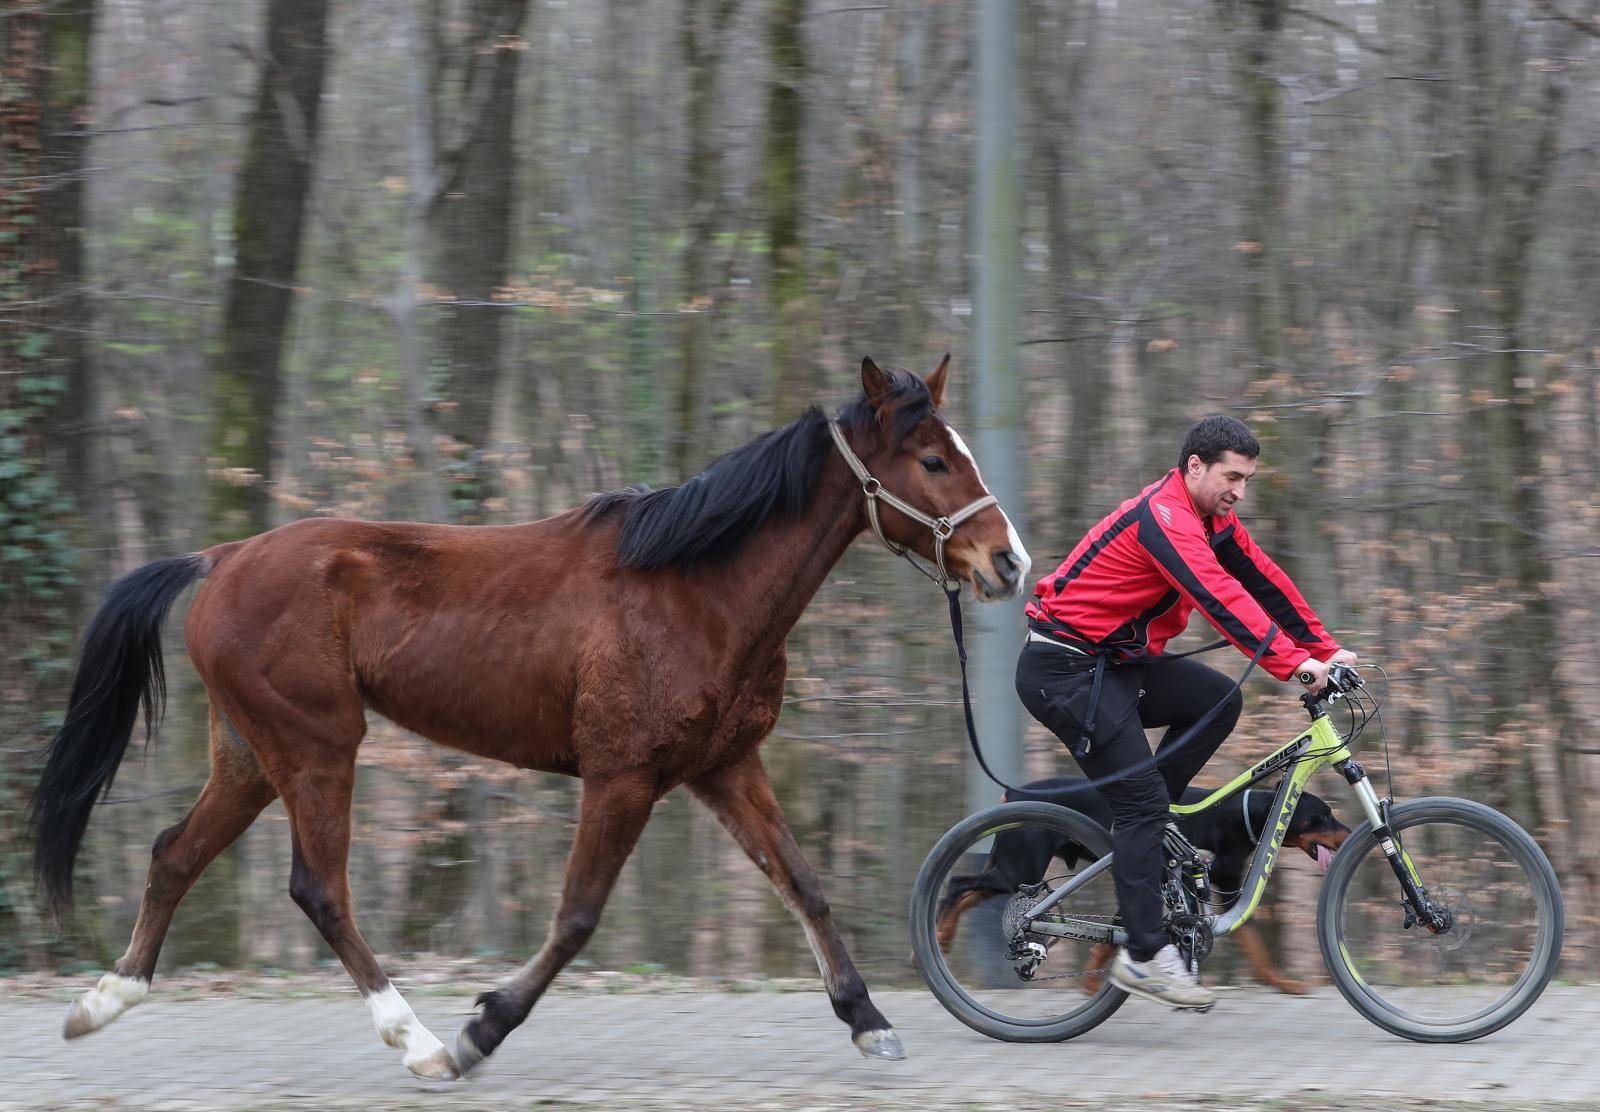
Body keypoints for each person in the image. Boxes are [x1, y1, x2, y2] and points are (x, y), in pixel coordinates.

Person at [1014, 415, 1356, 1009]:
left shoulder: (1213, 520)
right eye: (1232, 477)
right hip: (1064, 671)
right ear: (1194, 466)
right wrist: (1291, 664)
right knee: (1140, 803)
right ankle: (1146, 956)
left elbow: (1266, 584)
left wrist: (1326, 650)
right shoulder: (1166, 517)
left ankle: (1150, 820)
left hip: (1114, 667)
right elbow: (1220, 596)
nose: (1239, 493)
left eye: (1247, 480)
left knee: (1217, 697)